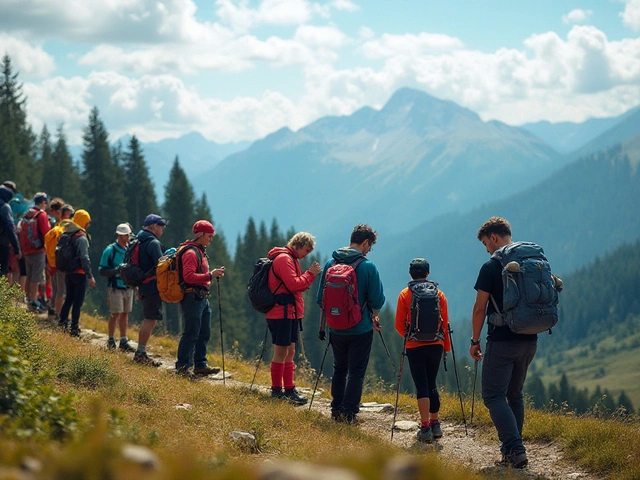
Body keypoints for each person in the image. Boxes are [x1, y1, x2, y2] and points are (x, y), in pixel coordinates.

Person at [470, 216, 535, 469]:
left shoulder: (491, 266)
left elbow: (479, 309)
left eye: (486, 243)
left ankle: (515, 449)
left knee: (493, 395)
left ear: (494, 237)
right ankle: (512, 450)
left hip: (503, 340)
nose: (486, 249)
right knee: (514, 394)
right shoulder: (530, 261)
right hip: (530, 338)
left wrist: (474, 341)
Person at [315, 224, 385, 424]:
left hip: (336, 327)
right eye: (369, 246)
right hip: (361, 328)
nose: (369, 250)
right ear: (365, 243)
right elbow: (377, 299)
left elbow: (321, 299)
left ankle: (336, 409)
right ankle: (349, 413)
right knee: (356, 372)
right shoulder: (368, 267)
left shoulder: (330, 263)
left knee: (339, 368)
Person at [395, 258, 450, 443]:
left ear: (411, 274)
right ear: (428, 273)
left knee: (422, 385)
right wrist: (446, 346)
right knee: (432, 382)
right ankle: (435, 424)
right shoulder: (439, 294)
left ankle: (425, 427)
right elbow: (445, 323)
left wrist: (409, 336)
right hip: (436, 345)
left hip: (414, 345)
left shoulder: (405, 294)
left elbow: (398, 325)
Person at [266, 232, 321, 405]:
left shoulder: (292, 259)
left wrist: (305, 277)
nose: (307, 254)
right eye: (306, 250)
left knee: (290, 351)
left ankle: (289, 389)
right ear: (298, 244)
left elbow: (295, 285)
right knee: (281, 351)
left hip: (290, 312)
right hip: (280, 312)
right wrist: (310, 274)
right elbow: (293, 284)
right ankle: (277, 390)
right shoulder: (284, 259)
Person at [174, 220, 226, 376]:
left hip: (201, 297)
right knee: (191, 333)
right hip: (192, 296)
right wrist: (211, 275)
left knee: (204, 332)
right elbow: (188, 277)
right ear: (200, 235)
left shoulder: (199, 251)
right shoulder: (191, 253)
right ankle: (183, 366)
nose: (210, 239)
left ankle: (200, 364)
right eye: (209, 236)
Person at [133, 214, 168, 367]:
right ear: (154, 226)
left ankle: (141, 352)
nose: (162, 230)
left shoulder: (138, 240)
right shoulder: (153, 243)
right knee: (150, 319)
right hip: (152, 285)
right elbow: (161, 267)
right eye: (161, 226)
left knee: (149, 318)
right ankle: (140, 353)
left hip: (142, 284)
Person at [57, 209, 96, 337]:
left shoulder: (67, 233)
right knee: (78, 302)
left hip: (68, 272)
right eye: (88, 222)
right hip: (79, 273)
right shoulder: (81, 237)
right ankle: (74, 328)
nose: (88, 225)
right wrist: (90, 276)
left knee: (68, 298)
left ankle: (62, 323)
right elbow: (84, 258)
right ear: (83, 222)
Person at [99, 223, 136, 352]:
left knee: (125, 314)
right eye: (126, 235)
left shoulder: (129, 250)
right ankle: (110, 339)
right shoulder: (110, 250)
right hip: (115, 286)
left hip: (128, 286)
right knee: (115, 313)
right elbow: (102, 270)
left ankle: (123, 339)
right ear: (120, 235)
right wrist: (116, 271)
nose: (128, 237)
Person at [20, 192, 51, 312]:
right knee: (36, 277)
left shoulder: (28, 213)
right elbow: (46, 233)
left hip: (27, 249)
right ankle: (33, 301)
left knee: (29, 275)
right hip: (38, 250)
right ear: (43, 202)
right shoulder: (42, 215)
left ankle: (28, 298)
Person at [44, 204, 75, 321]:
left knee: (57, 289)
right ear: (67, 215)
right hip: (62, 265)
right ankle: (59, 315)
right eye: (72, 215)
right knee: (62, 291)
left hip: (53, 263)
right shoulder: (66, 229)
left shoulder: (56, 227)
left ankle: (53, 311)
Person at [0, 183, 21, 277]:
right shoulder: (4, 207)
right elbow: (10, 228)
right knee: (2, 274)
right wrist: (16, 249)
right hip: (2, 245)